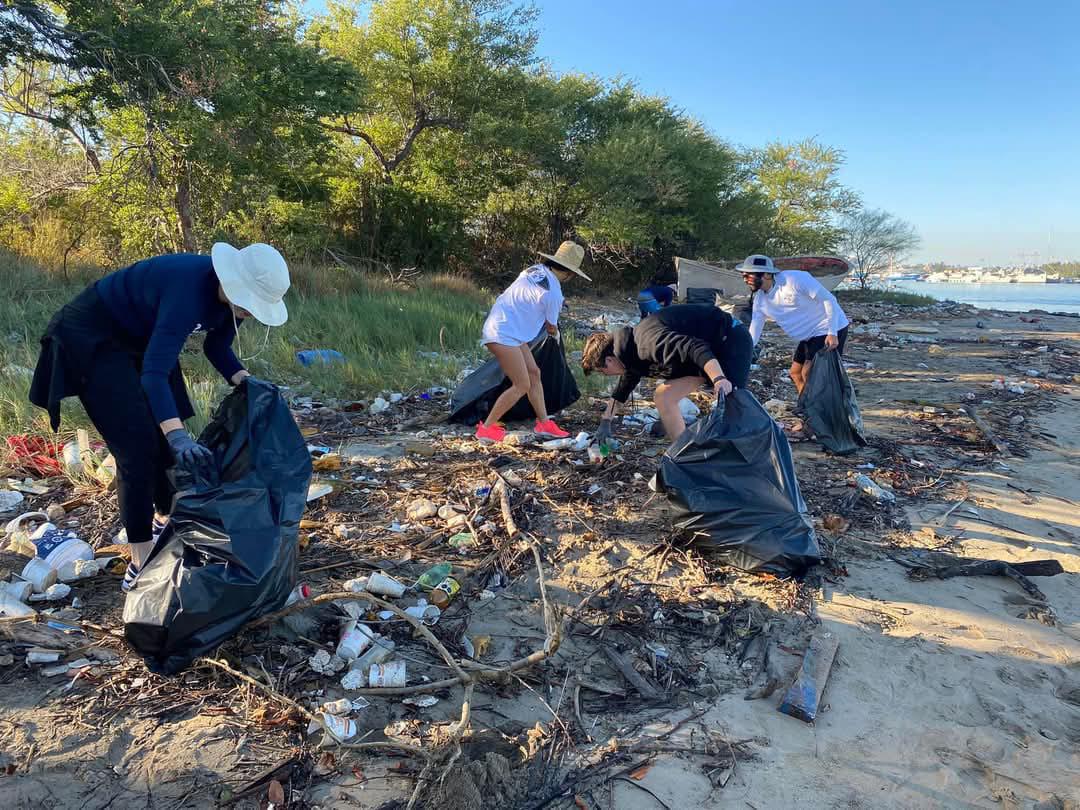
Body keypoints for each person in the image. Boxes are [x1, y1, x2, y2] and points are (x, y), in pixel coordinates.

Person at [30, 243, 291, 591]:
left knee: (169, 447)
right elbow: (154, 374)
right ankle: (140, 563)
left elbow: (216, 347)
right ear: (231, 281)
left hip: (143, 339)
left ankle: (164, 521)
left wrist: (245, 380)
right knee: (137, 450)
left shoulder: (232, 304)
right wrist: (176, 434)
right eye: (247, 301)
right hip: (93, 335)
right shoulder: (187, 293)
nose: (248, 311)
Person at [581, 303, 753, 441]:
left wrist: (719, 378)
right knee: (664, 396)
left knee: (734, 405)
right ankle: (684, 454)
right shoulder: (629, 357)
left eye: (603, 371)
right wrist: (605, 423)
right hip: (702, 357)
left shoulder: (649, 343)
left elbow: (695, 348)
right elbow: (621, 392)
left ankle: (756, 447)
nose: (606, 375)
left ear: (609, 360)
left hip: (729, 338)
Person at [475, 241, 592, 443]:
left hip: (508, 328)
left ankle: (544, 423)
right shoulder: (554, 294)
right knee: (521, 384)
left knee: (534, 373)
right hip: (503, 333)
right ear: (570, 274)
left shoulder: (533, 270)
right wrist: (556, 335)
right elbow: (551, 327)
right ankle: (486, 428)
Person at [740, 254, 850, 395]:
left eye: (749, 276)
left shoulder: (794, 280)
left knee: (809, 372)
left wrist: (832, 332)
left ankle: (821, 409)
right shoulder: (760, 301)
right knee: (795, 373)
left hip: (829, 326)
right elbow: (754, 332)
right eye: (743, 276)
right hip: (808, 335)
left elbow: (829, 300)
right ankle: (805, 405)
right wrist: (742, 351)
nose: (745, 280)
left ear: (766, 274)